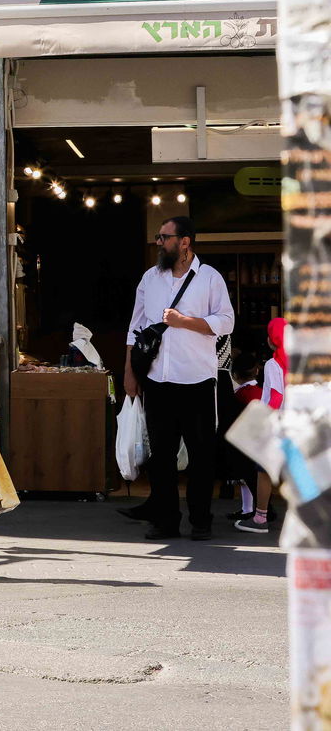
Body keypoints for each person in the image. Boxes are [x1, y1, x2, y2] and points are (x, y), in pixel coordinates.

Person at [124, 216, 235, 541]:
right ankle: (165, 521)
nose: (159, 242)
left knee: (201, 456)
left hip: (197, 381)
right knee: (161, 457)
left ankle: (200, 521)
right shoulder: (150, 278)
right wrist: (130, 371)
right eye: (159, 237)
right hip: (158, 380)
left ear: (185, 242)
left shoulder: (210, 278)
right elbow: (135, 327)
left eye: (165, 237)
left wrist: (184, 321)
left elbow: (226, 321)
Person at [237, 318, 286, 535]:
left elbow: (276, 396)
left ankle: (260, 518)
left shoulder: (273, 364)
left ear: (271, 340)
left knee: (263, 471)